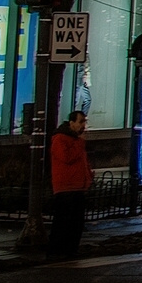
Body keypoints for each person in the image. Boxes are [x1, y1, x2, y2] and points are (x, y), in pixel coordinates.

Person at [47, 109, 91, 260]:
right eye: (80, 122)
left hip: (78, 186)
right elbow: (67, 158)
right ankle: (57, 251)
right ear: (71, 123)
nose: (83, 125)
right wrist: (79, 143)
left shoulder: (77, 141)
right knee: (63, 221)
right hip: (66, 187)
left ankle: (70, 249)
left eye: (84, 122)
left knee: (76, 222)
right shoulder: (60, 139)